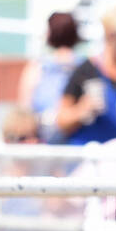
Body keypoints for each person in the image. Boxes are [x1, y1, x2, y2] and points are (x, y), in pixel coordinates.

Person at [56, 5, 116, 146]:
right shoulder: (86, 70)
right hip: (87, 157)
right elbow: (61, 120)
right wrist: (82, 110)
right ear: (110, 37)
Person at [16, 11, 81, 143]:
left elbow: (24, 106)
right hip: (76, 140)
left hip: (44, 140)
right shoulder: (86, 66)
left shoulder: (38, 66)